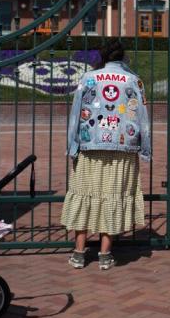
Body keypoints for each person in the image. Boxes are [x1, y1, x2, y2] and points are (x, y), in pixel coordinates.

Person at [61, 39, 149, 270]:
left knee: (85, 193)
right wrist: (146, 148)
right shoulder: (134, 80)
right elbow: (143, 117)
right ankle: (104, 254)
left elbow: (75, 114)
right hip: (122, 147)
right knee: (112, 194)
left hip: (90, 145)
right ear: (123, 56)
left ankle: (79, 252)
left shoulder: (87, 79)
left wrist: (72, 146)